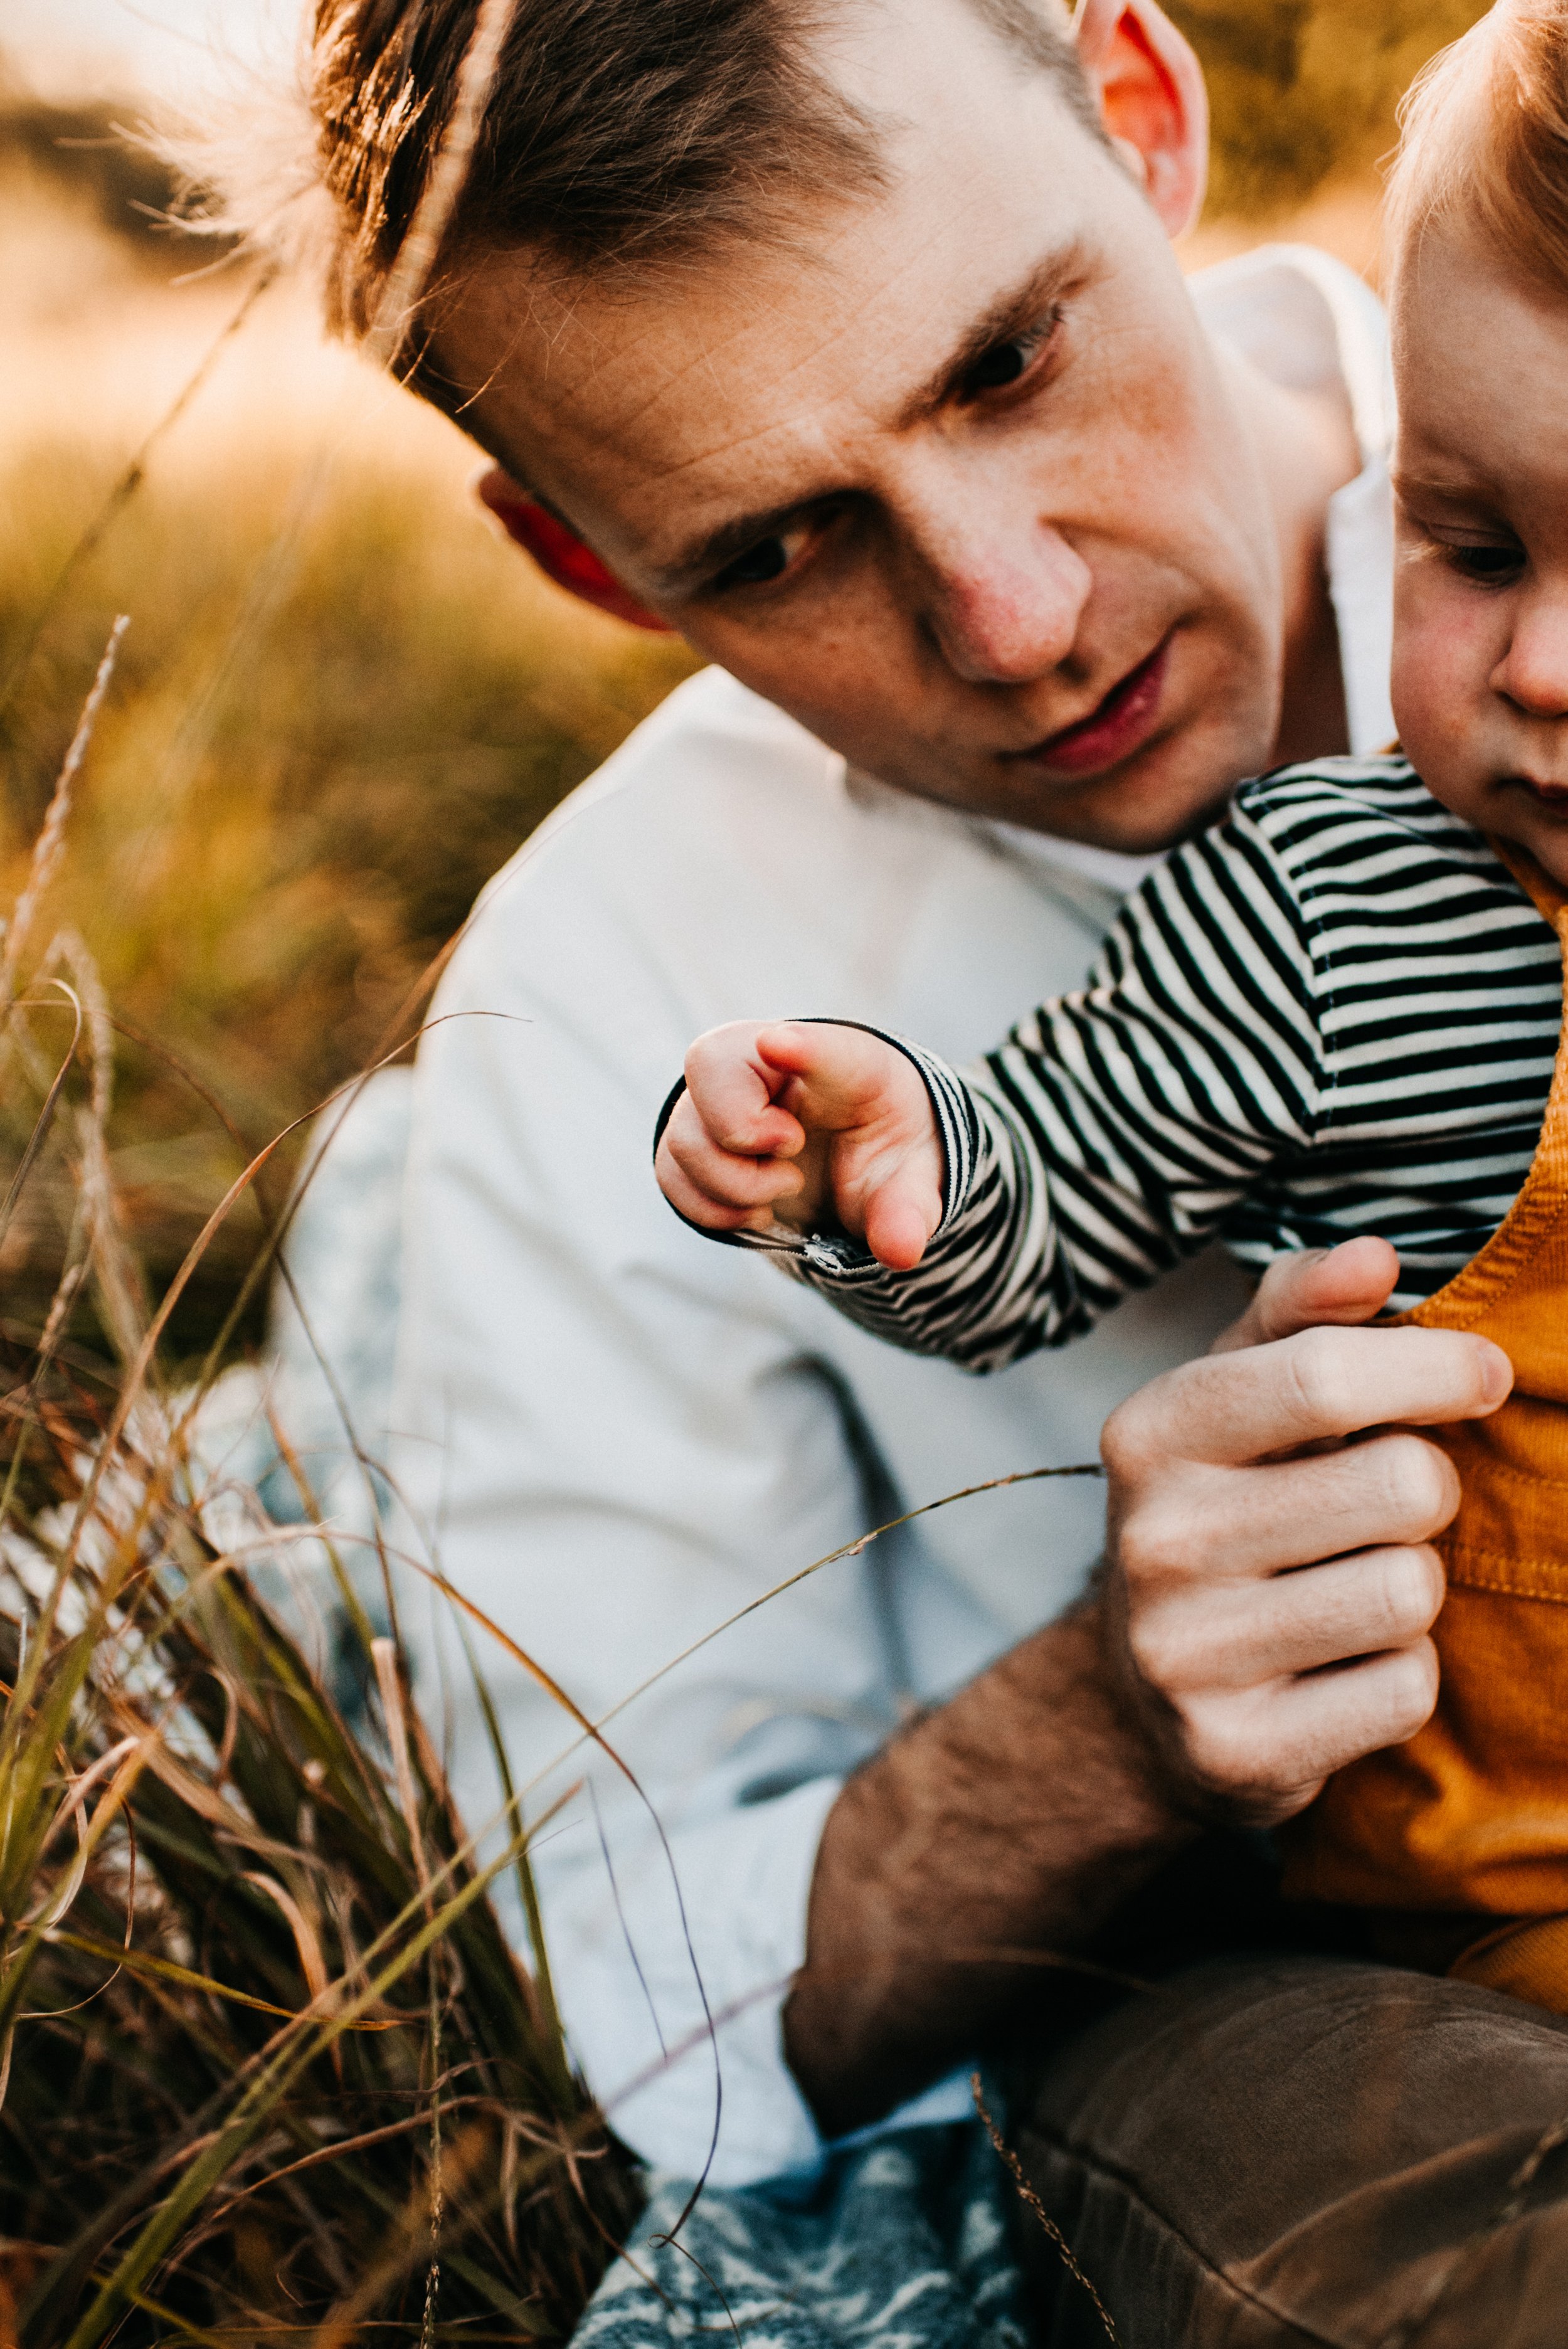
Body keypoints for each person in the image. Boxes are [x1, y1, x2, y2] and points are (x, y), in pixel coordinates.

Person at [226, 0, 1568, 2335]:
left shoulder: (1525, 346)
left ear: (1140, 109)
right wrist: (1110, 1725)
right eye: (775, 545)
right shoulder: (600, 1022)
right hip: (1321, 1969)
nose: (1017, 625)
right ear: (583, 557)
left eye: (1009, 364)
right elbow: (659, 1990)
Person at [655, 0, 1568, 2008]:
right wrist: (889, 1158)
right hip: (1477, 1925)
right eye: (1474, 545)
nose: (1543, 666)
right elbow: (1051, 1190)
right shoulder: (1343, 911)